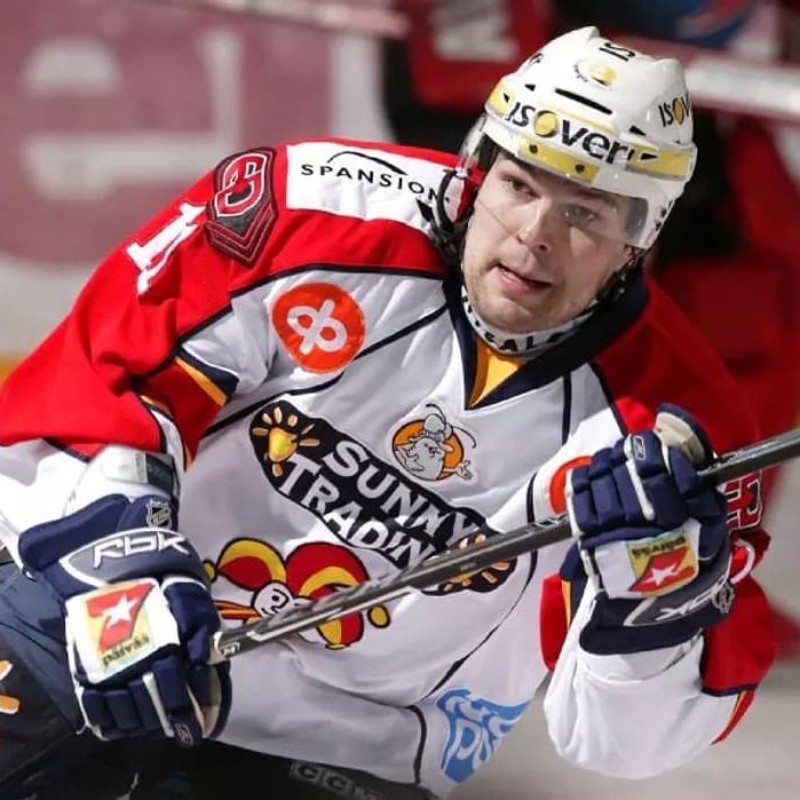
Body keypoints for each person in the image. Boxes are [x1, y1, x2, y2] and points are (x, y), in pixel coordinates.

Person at [0, 26, 777, 800]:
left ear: (639, 241)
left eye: (586, 214)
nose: (536, 236)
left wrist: (653, 597)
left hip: (346, 750)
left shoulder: (678, 433)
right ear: (476, 167)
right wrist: (121, 576)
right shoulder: (310, 208)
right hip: (106, 625)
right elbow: (102, 385)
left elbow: (621, 743)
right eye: (520, 186)